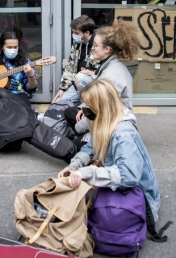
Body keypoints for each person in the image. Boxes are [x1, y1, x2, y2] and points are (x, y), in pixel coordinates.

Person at [58, 79, 161, 222]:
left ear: (101, 106)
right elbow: (91, 147)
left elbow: (128, 175)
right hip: (125, 187)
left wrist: (87, 173)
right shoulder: (104, 122)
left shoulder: (123, 134)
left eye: (88, 105)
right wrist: (74, 165)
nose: (84, 108)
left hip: (141, 200)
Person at [66, 20, 139, 141]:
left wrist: (79, 126)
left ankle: (86, 139)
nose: (92, 48)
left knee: (74, 128)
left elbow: (102, 113)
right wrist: (83, 107)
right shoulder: (110, 65)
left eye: (95, 45)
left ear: (107, 49)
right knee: (71, 112)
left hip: (110, 121)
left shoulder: (110, 76)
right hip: (108, 114)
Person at [51, 15, 98, 106]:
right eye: (73, 32)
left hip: (93, 85)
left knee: (81, 77)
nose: (74, 35)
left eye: (76, 33)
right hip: (77, 83)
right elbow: (71, 65)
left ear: (87, 33)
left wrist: (94, 73)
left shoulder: (98, 44)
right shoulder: (77, 43)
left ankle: (86, 108)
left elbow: (104, 68)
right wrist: (62, 88)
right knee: (58, 103)